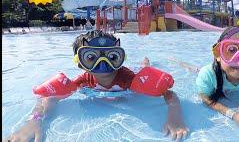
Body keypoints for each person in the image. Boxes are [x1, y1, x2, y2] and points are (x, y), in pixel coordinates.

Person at [5, 30, 189, 142]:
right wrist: (34, 120)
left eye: (112, 57)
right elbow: (48, 97)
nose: (103, 64)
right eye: (91, 57)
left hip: (136, 75)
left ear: (120, 58)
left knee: (145, 69)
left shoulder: (128, 79)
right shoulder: (83, 81)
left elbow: (169, 94)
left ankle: (146, 64)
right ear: (79, 62)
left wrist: (175, 116)